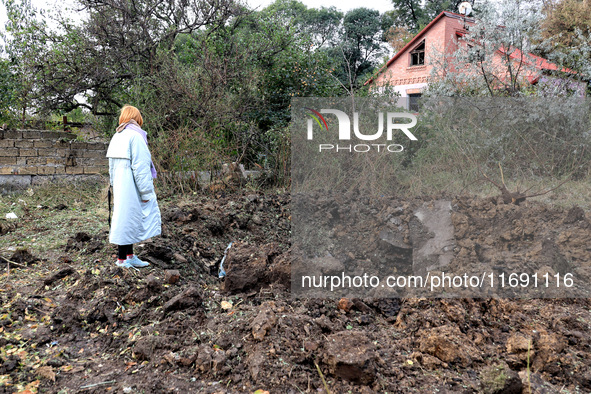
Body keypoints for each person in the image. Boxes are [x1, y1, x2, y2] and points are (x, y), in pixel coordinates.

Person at [106, 105, 161, 268]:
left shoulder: (117, 136)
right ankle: (122, 260)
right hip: (132, 186)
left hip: (121, 186)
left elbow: (111, 167)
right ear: (137, 118)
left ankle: (129, 256)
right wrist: (146, 193)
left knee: (126, 220)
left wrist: (114, 185)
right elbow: (141, 168)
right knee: (128, 221)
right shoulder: (136, 137)